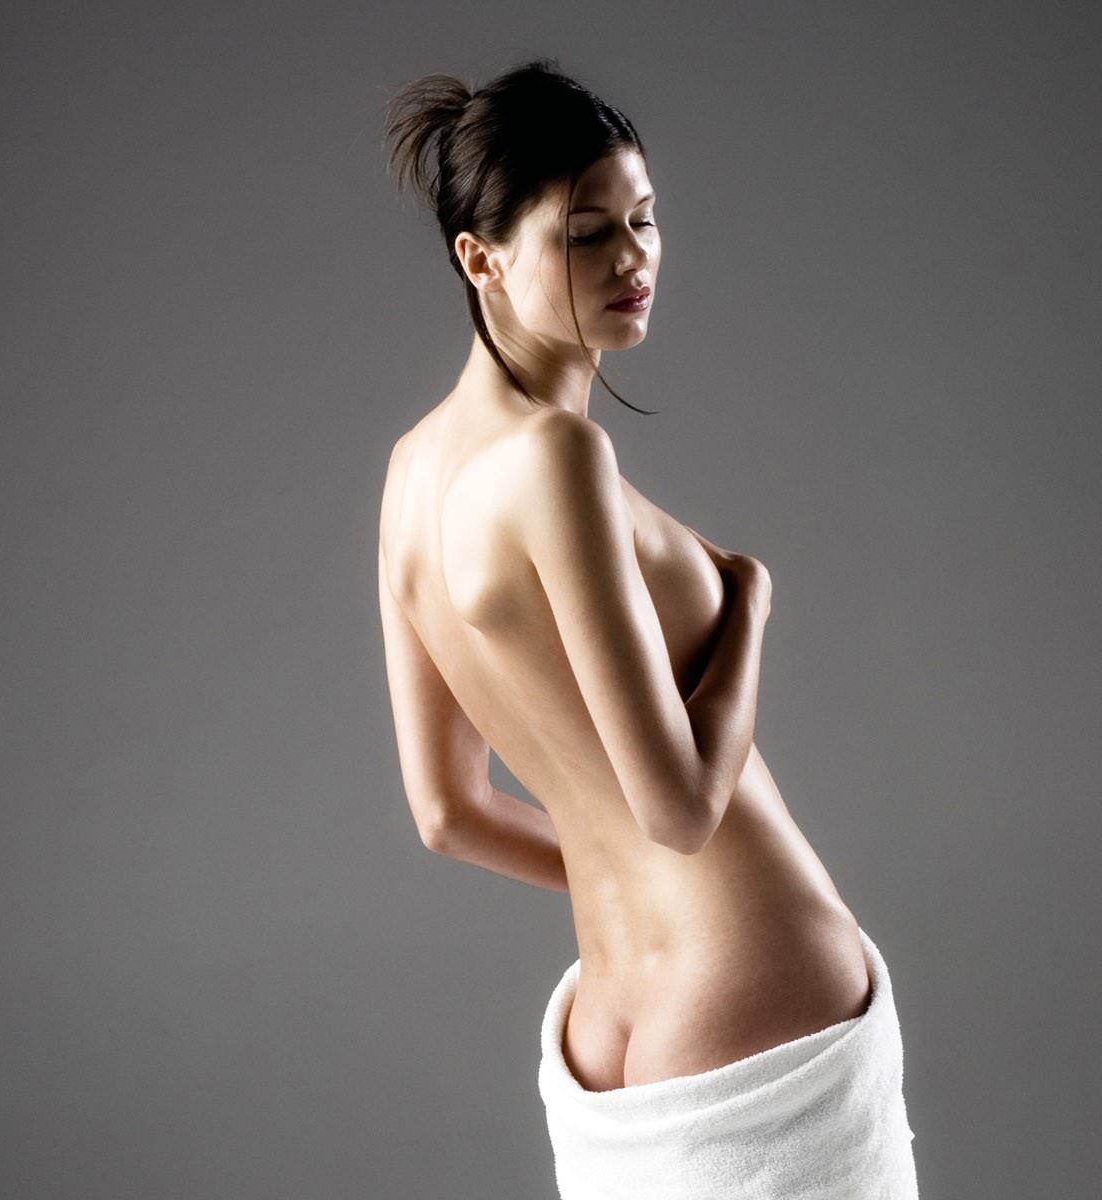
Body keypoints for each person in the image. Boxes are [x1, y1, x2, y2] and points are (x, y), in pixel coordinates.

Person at [376, 59, 918, 1198]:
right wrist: (751, 605)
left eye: (645, 218)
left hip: (604, 1026)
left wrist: (609, 882)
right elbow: (678, 812)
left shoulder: (411, 470)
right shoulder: (559, 457)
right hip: (753, 984)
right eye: (585, 235)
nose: (632, 259)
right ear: (479, 259)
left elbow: (446, 814)